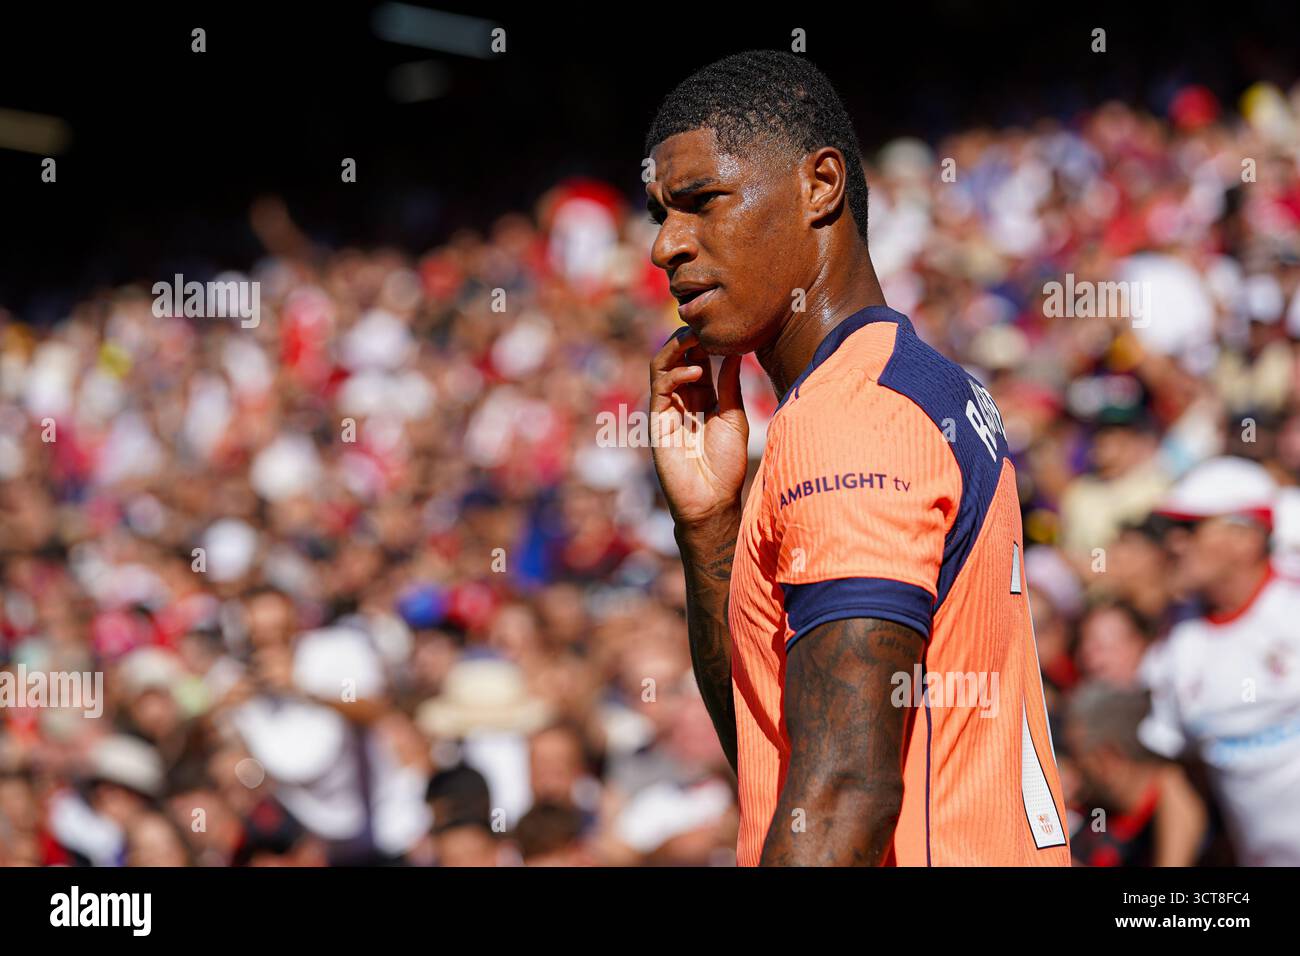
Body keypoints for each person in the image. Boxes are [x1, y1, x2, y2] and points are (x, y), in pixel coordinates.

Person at [645, 50, 1069, 865]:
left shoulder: (851, 419)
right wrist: (707, 526)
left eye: (702, 202)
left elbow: (842, 794)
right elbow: (777, 749)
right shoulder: (918, 382)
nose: (666, 245)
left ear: (821, 185)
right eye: (660, 213)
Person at [1139, 456, 1300, 865]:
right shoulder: (1176, 642)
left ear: (1246, 538)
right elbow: (1184, 773)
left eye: (1190, 528)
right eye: (1172, 530)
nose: (1174, 543)